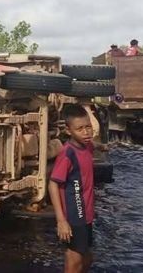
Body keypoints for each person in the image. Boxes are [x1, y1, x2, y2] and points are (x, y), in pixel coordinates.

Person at [48, 105, 96, 273]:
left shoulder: (88, 146)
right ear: (68, 131)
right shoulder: (67, 154)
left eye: (88, 126)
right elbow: (53, 184)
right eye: (80, 129)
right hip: (74, 214)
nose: (86, 132)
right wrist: (61, 221)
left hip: (86, 214)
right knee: (74, 260)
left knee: (87, 258)